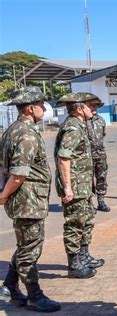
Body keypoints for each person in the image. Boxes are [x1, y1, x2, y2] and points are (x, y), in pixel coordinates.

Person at [0, 87, 61, 312]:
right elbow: (18, 174)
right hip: (28, 201)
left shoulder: (11, 131)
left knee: (25, 244)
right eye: (41, 105)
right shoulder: (26, 134)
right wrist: (4, 194)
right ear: (29, 108)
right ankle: (34, 295)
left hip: (25, 200)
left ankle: (8, 286)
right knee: (31, 249)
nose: (44, 108)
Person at [54, 92, 105, 279]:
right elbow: (64, 157)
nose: (94, 109)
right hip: (75, 186)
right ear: (78, 108)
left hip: (83, 185)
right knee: (75, 224)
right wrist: (67, 187)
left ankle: (84, 256)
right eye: (90, 105)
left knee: (86, 220)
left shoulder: (80, 125)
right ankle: (74, 264)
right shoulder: (73, 129)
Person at [85, 97, 110, 212]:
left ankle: (101, 201)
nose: (94, 108)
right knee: (88, 179)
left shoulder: (100, 120)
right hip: (87, 155)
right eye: (92, 106)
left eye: (96, 106)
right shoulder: (83, 121)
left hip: (100, 153)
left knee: (101, 177)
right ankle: (89, 203)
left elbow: (103, 135)